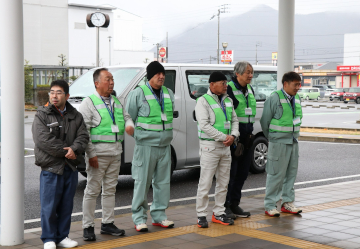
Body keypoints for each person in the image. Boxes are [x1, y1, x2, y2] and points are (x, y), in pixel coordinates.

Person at [32, 80, 89, 249]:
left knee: (66, 205)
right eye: (52, 92)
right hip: (51, 167)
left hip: (70, 167)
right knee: (49, 206)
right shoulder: (42, 114)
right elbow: (43, 140)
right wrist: (68, 152)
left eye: (58, 92)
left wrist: (75, 148)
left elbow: (83, 136)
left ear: (67, 96)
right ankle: (48, 238)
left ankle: (62, 236)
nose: (54, 96)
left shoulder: (75, 115)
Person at [79, 68, 134, 240]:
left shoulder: (116, 102)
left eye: (112, 79)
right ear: (97, 83)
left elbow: (127, 117)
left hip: (115, 153)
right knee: (92, 190)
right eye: (107, 79)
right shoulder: (89, 103)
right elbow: (84, 131)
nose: (111, 83)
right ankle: (87, 226)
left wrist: (129, 124)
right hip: (98, 155)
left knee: (110, 190)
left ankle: (107, 223)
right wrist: (91, 154)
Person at [126, 61, 175, 232]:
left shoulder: (168, 93)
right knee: (142, 182)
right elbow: (128, 117)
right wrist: (136, 134)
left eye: (163, 74)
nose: (161, 76)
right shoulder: (138, 93)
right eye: (157, 74)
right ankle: (139, 218)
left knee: (163, 182)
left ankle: (159, 215)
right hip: (146, 146)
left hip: (165, 145)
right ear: (149, 76)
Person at [195, 72, 239, 228]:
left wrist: (233, 135)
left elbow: (234, 120)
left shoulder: (228, 100)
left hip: (225, 146)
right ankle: (201, 214)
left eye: (226, 82)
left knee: (223, 182)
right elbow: (204, 125)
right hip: (210, 146)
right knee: (205, 182)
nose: (226, 85)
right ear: (212, 84)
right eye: (222, 82)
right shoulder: (202, 101)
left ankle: (219, 213)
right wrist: (224, 137)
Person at [260, 71, 303, 217]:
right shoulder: (274, 97)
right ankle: (270, 205)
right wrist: (273, 138)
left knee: (291, 173)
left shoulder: (296, 99)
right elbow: (264, 121)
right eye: (295, 84)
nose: (298, 87)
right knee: (275, 174)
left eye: (299, 84)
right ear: (285, 84)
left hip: (293, 141)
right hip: (278, 142)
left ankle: (287, 203)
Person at [224, 61, 255, 219]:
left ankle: (235, 203)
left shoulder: (249, 89)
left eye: (251, 72)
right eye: (247, 72)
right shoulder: (229, 89)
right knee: (231, 174)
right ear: (238, 73)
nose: (250, 75)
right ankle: (225, 206)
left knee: (242, 174)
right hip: (234, 140)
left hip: (247, 138)